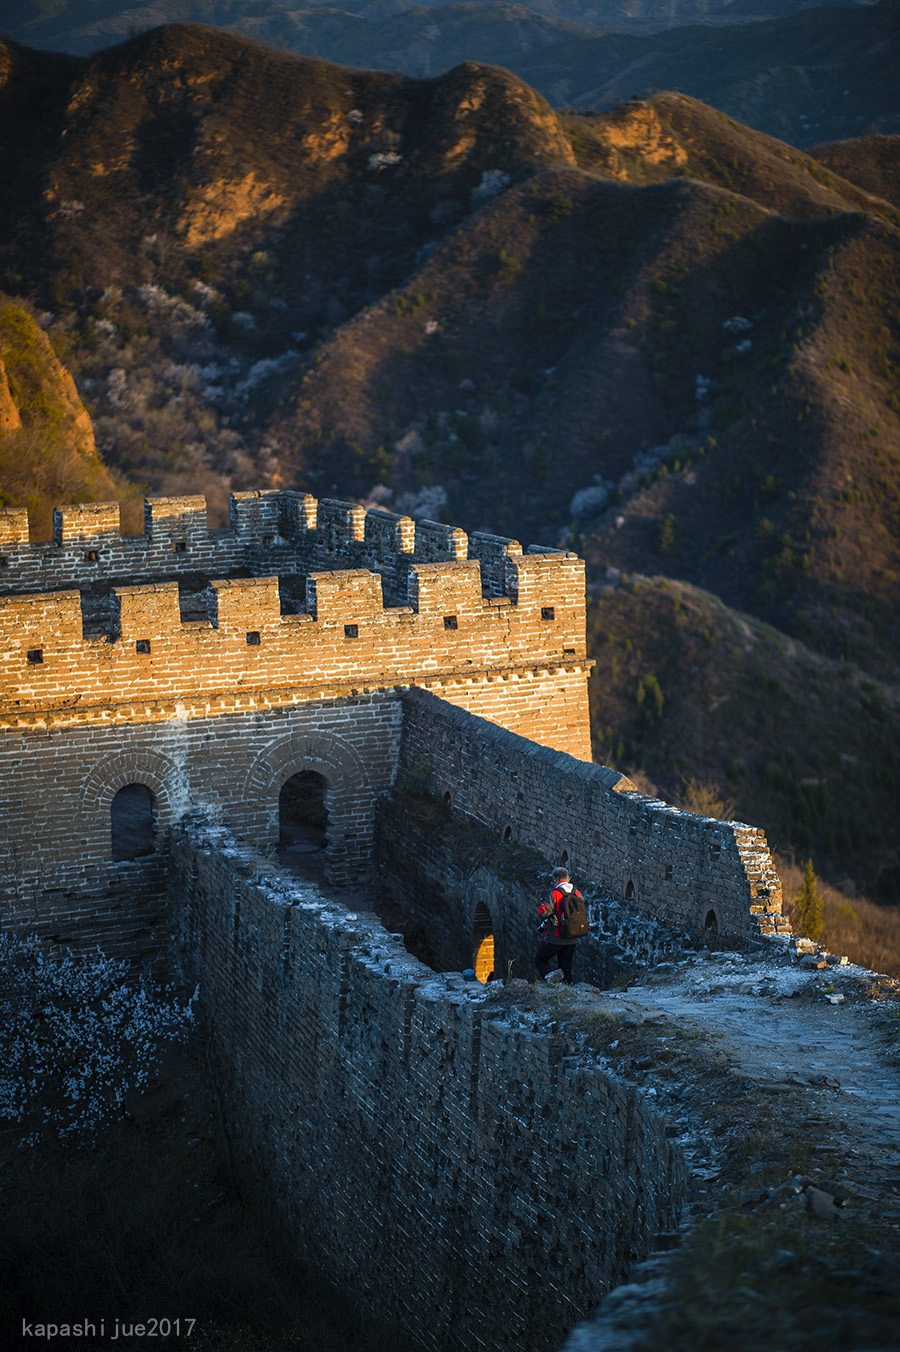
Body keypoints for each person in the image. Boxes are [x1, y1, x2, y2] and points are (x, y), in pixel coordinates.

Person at [535, 866, 583, 985]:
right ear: (568, 879)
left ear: (554, 880)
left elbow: (542, 912)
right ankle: (568, 988)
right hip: (572, 936)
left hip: (556, 937)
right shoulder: (576, 893)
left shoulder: (555, 894)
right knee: (566, 966)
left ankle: (551, 982)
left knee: (540, 959)